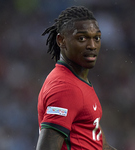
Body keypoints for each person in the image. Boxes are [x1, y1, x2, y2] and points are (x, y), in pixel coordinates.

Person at [36, 6, 117, 150]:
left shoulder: (79, 82)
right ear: (61, 40)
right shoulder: (65, 87)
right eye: (82, 38)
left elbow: (99, 145)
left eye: (96, 38)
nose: (92, 46)